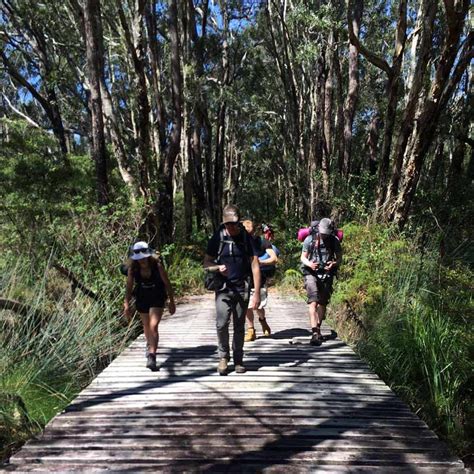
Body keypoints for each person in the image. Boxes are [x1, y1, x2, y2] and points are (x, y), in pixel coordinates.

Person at [204, 205, 261, 375]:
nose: (231, 227)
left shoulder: (246, 238)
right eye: (228, 224)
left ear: (239, 222)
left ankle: (238, 359)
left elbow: (255, 265)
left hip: (241, 287)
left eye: (234, 224)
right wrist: (216, 267)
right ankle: (223, 356)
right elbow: (206, 263)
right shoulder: (218, 237)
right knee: (221, 323)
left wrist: (257, 292)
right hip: (223, 288)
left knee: (239, 325)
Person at [124, 241, 176, 371]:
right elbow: (129, 287)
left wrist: (171, 301)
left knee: (153, 325)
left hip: (157, 295)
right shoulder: (133, 269)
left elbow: (167, 283)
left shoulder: (157, 266)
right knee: (146, 325)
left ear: (148, 255)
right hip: (142, 296)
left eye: (143, 256)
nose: (141, 260)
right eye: (139, 257)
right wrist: (126, 304)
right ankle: (149, 346)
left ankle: (152, 354)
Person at [300, 218, 342, 345]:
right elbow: (303, 257)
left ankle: (318, 328)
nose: (323, 235)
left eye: (326, 233)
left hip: (327, 274)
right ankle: (314, 332)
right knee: (313, 302)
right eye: (322, 232)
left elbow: (339, 258)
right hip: (311, 273)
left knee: (322, 303)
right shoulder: (310, 239)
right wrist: (310, 264)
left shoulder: (334, 241)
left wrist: (333, 264)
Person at [242, 219, 277, 342]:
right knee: (247, 305)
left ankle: (263, 321)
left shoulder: (263, 242)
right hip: (244, 278)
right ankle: (251, 330)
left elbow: (274, 258)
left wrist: (259, 262)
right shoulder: (239, 243)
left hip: (259, 278)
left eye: (250, 232)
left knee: (258, 306)